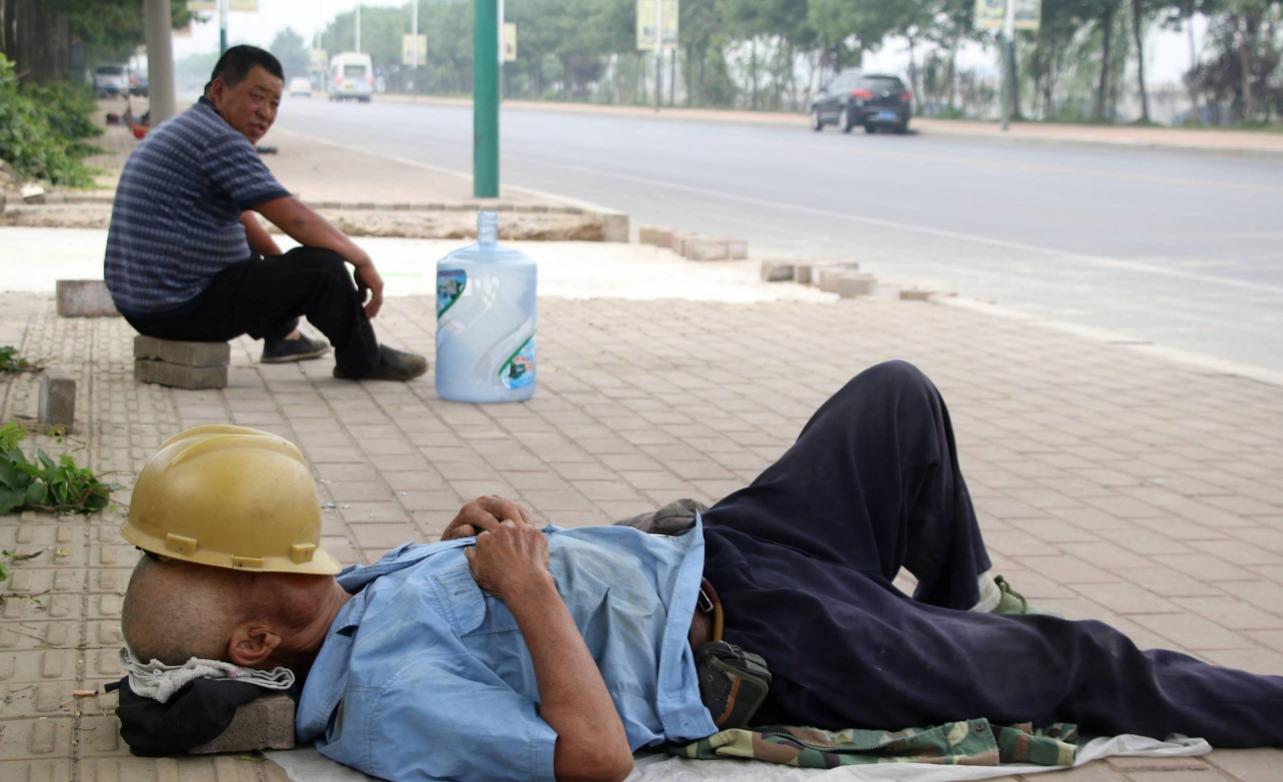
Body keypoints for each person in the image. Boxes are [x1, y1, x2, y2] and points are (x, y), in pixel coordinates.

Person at [118, 362, 1283, 782]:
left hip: (724, 542)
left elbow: (465, 590)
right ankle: (954, 650)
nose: (305, 545)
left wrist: (469, 533)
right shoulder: (387, 703)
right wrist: (528, 591)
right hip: (760, 639)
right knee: (1084, 662)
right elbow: (592, 756)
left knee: (893, 394)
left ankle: (953, 615)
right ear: (257, 643)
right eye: (273, 559)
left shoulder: (353, 603)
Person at [103, 45, 427, 381]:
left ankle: (284, 338)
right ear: (219, 90)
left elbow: (244, 217)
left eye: (274, 104)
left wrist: (283, 275)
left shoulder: (189, 127)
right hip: (177, 306)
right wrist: (360, 260)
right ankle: (363, 359)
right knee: (324, 268)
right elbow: (293, 218)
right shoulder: (218, 139)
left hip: (143, 304)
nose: (265, 113)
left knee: (282, 265)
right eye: (257, 97)